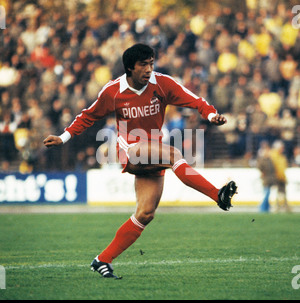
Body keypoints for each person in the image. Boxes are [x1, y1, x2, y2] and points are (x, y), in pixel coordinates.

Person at [43, 43, 237, 279]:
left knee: (145, 214)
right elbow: (88, 115)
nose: (149, 69)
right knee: (174, 154)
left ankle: (102, 259)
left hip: (153, 152)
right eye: (143, 65)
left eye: (151, 63)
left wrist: (210, 115)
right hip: (131, 150)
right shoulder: (113, 91)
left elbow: (194, 100)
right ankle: (217, 195)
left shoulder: (162, 83)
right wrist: (63, 137)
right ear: (129, 68)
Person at [269, 140, 291, 212]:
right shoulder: (272, 155)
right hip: (275, 177)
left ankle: (284, 207)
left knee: (283, 193)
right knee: (276, 193)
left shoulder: (281, 156)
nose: (282, 149)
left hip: (281, 177)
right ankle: (276, 207)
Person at [257, 142, 276, 213]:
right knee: (266, 194)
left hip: (270, 179)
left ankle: (266, 209)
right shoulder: (263, 160)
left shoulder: (270, 160)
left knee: (267, 194)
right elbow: (260, 167)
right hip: (266, 180)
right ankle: (262, 209)